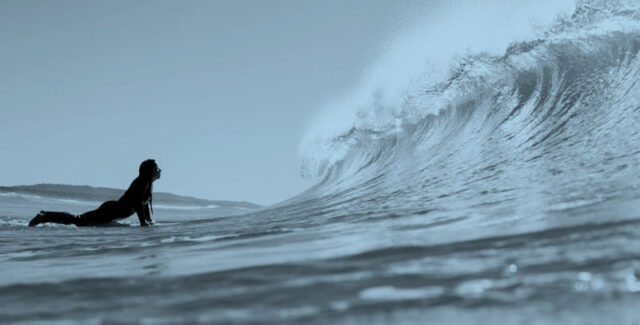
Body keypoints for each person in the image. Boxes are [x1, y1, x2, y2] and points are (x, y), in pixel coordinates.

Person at [28, 159, 161, 227]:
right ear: (149, 171)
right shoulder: (142, 182)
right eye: (156, 168)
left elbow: (144, 205)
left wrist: (148, 221)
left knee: (78, 221)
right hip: (110, 210)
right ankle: (44, 216)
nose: (159, 170)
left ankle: (44, 216)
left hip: (112, 211)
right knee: (78, 221)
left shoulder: (147, 185)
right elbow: (138, 203)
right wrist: (143, 223)